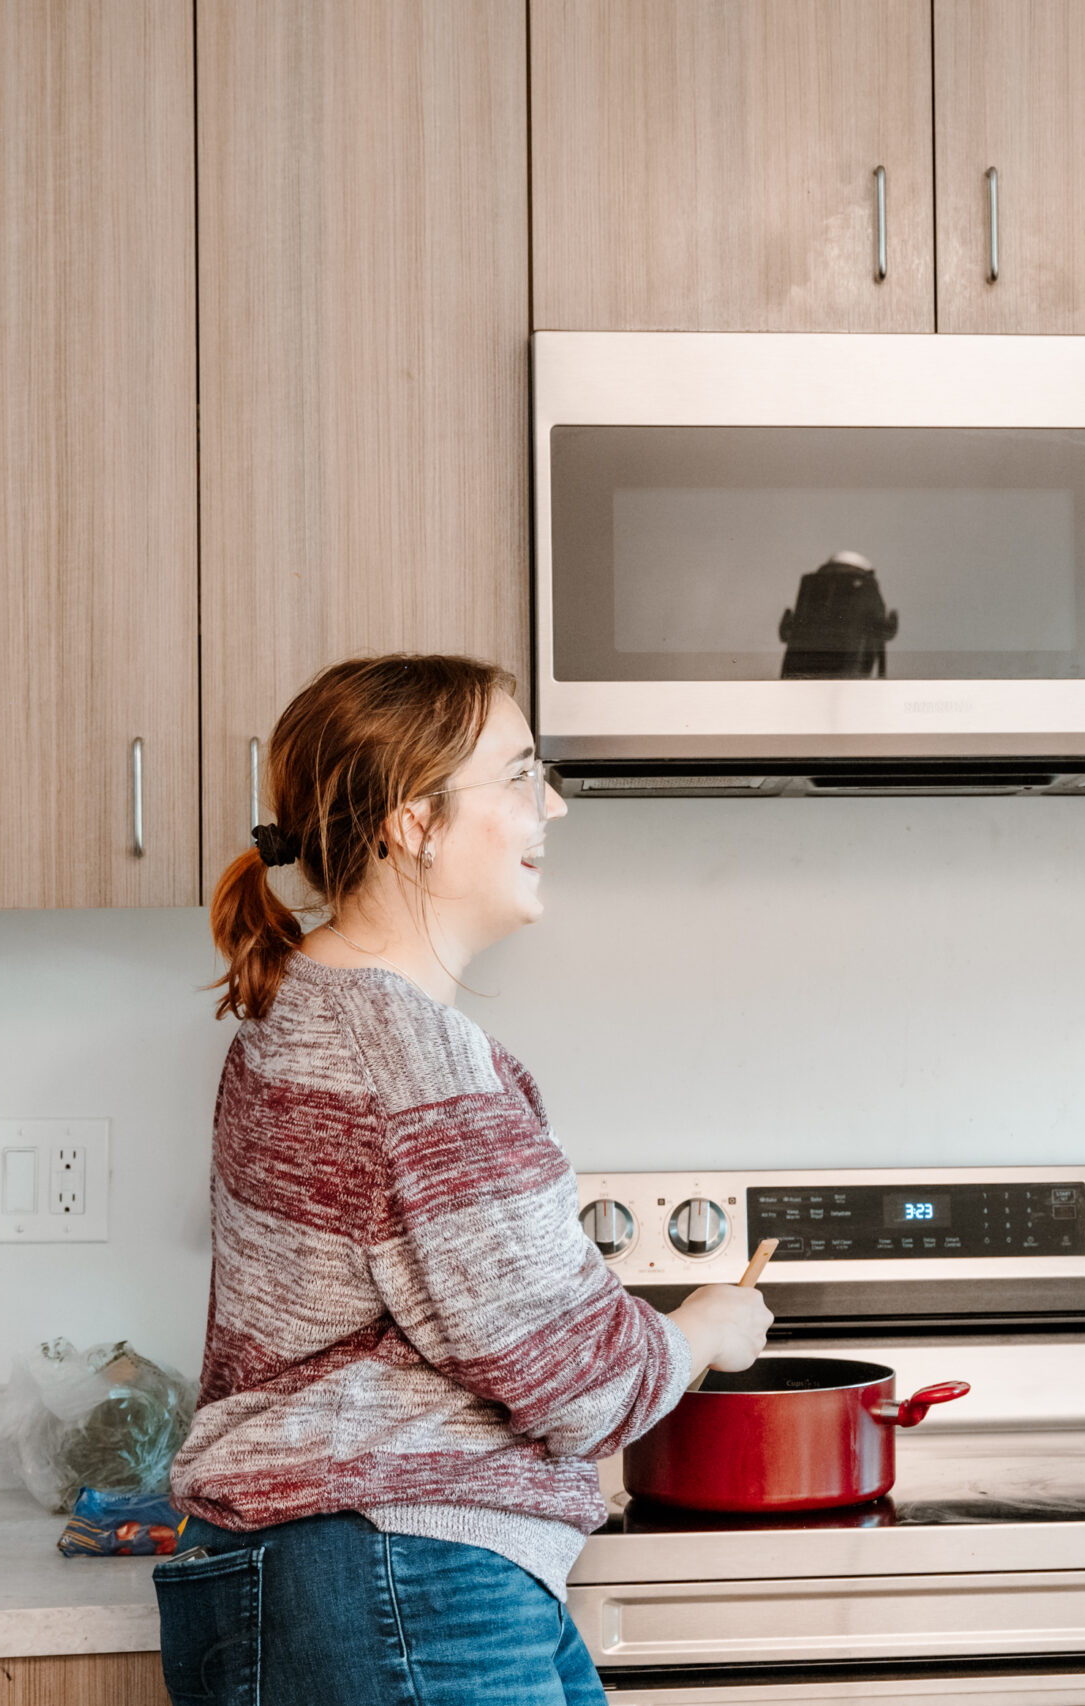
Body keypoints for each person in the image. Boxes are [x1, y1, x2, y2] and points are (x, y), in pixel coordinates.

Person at [155, 655, 772, 1706]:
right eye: (523, 773)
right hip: (405, 1579)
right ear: (413, 823)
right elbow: (581, 1382)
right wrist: (709, 1326)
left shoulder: (301, 1007)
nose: (556, 805)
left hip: (329, 1569)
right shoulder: (417, 1060)